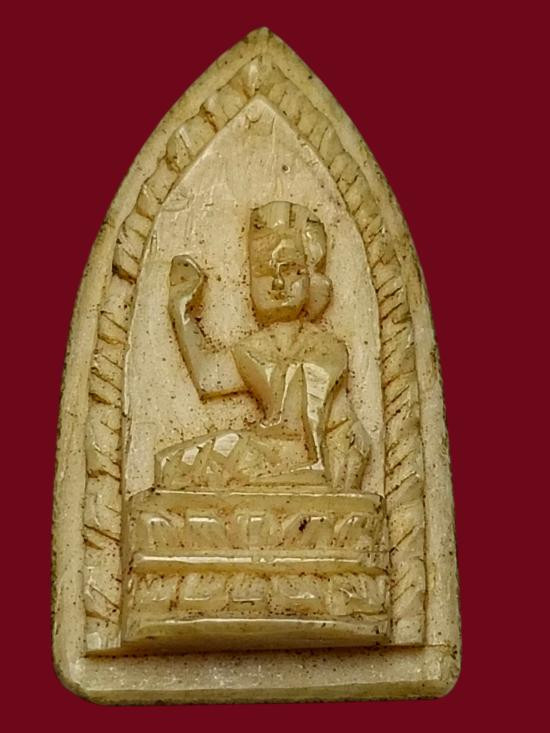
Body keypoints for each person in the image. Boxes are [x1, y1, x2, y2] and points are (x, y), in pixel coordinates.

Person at [156, 201, 369, 492]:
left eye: (291, 270)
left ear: (311, 276)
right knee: (170, 465)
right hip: (270, 449)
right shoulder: (252, 347)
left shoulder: (326, 346)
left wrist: (322, 455)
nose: (278, 283)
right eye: (264, 272)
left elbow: (321, 414)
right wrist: (181, 309)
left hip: (330, 451)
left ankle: (311, 469)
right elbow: (208, 378)